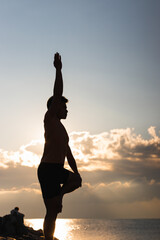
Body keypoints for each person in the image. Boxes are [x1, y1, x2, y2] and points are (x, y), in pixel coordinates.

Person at [38, 52, 82, 240]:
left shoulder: (63, 130)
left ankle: (59, 198)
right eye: (64, 107)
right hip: (48, 169)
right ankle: (48, 237)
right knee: (52, 211)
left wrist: (76, 171)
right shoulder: (50, 119)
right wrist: (58, 70)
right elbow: (57, 93)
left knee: (55, 208)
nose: (66, 110)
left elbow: (69, 154)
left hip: (56, 169)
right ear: (55, 108)